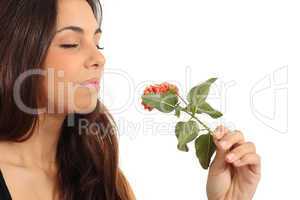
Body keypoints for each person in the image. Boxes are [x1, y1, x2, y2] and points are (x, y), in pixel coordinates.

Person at [0, 0, 261, 199]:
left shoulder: (99, 175)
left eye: (98, 43)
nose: (99, 59)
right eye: (71, 43)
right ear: (19, 53)